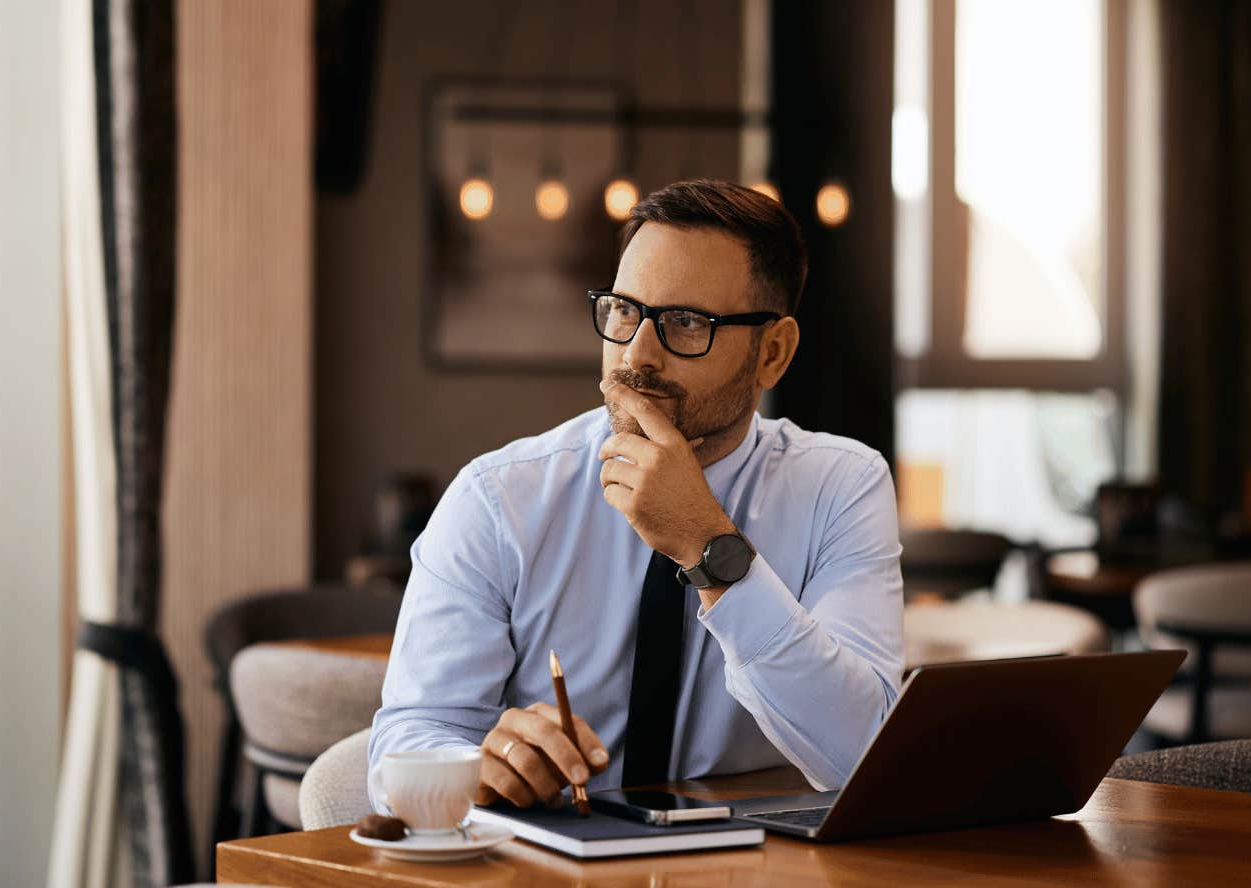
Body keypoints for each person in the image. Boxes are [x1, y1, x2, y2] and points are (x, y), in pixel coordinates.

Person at [370, 180, 903, 808]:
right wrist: (479, 768)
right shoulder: (499, 498)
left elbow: (865, 755)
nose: (638, 355)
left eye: (685, 322)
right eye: (625, 310)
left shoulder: (841, 487)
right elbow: (407, 742)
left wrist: (708, 546)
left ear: (773, 354)